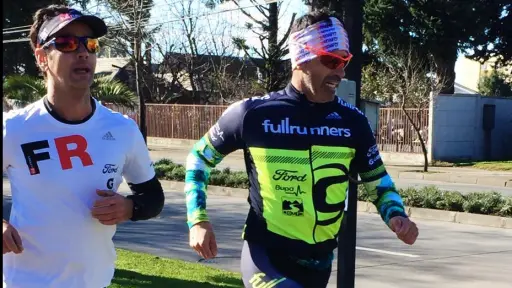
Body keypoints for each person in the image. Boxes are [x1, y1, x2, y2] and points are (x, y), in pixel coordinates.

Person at [184, 10, 419, 288]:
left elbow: (377, 179)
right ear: (301, 58)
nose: (340, 72)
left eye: (345, 61)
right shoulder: (253, 114)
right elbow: (199, 159)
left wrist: (396, 215)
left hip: (319, 261)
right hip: (266, 254)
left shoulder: (353, 122)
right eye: (332, 60)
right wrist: (197, 220)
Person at [2, 5, 165, 288]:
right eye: (66, 43)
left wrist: (129, 208)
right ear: (42, 57)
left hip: (95, 281)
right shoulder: (14, 128)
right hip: (26, 281)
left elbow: (153, 197)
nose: (82, 52)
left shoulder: (122, 129)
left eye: (90, 44)